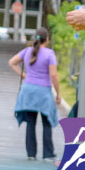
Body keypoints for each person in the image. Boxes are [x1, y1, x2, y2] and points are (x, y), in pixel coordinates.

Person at [9, 28, 62, 162]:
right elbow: (53, 75)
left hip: (28, 91)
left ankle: (31, 154)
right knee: (46, 122)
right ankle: (48, 154)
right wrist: (58, 93)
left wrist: (23, 75)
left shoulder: (27, 51)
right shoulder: (50, 54)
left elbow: (12, 62)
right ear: (47, 39)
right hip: (43, 92)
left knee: (31, 122)